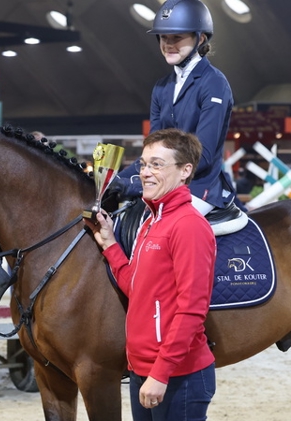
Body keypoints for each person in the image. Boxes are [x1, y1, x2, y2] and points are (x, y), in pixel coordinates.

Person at [85, 128, 216, 420]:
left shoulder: (188, 225)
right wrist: (108, 243)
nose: (145, 172)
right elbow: (136, 286)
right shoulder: (151, 222)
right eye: (144, 164)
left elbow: (192, 309)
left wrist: (161, 372)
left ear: (185, 171)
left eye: (157, 164)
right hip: (143, 371)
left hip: (177, 376)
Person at [114, 0, 236, 215]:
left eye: (177, 37)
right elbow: (153, 150)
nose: (168, 44)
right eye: (163, 37)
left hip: (199, 188)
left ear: (201, 38)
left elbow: (204, 157)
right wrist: (114, 180)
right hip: (164, 185)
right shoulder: (161, 87)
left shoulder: (214, 83)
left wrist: (134, 185)